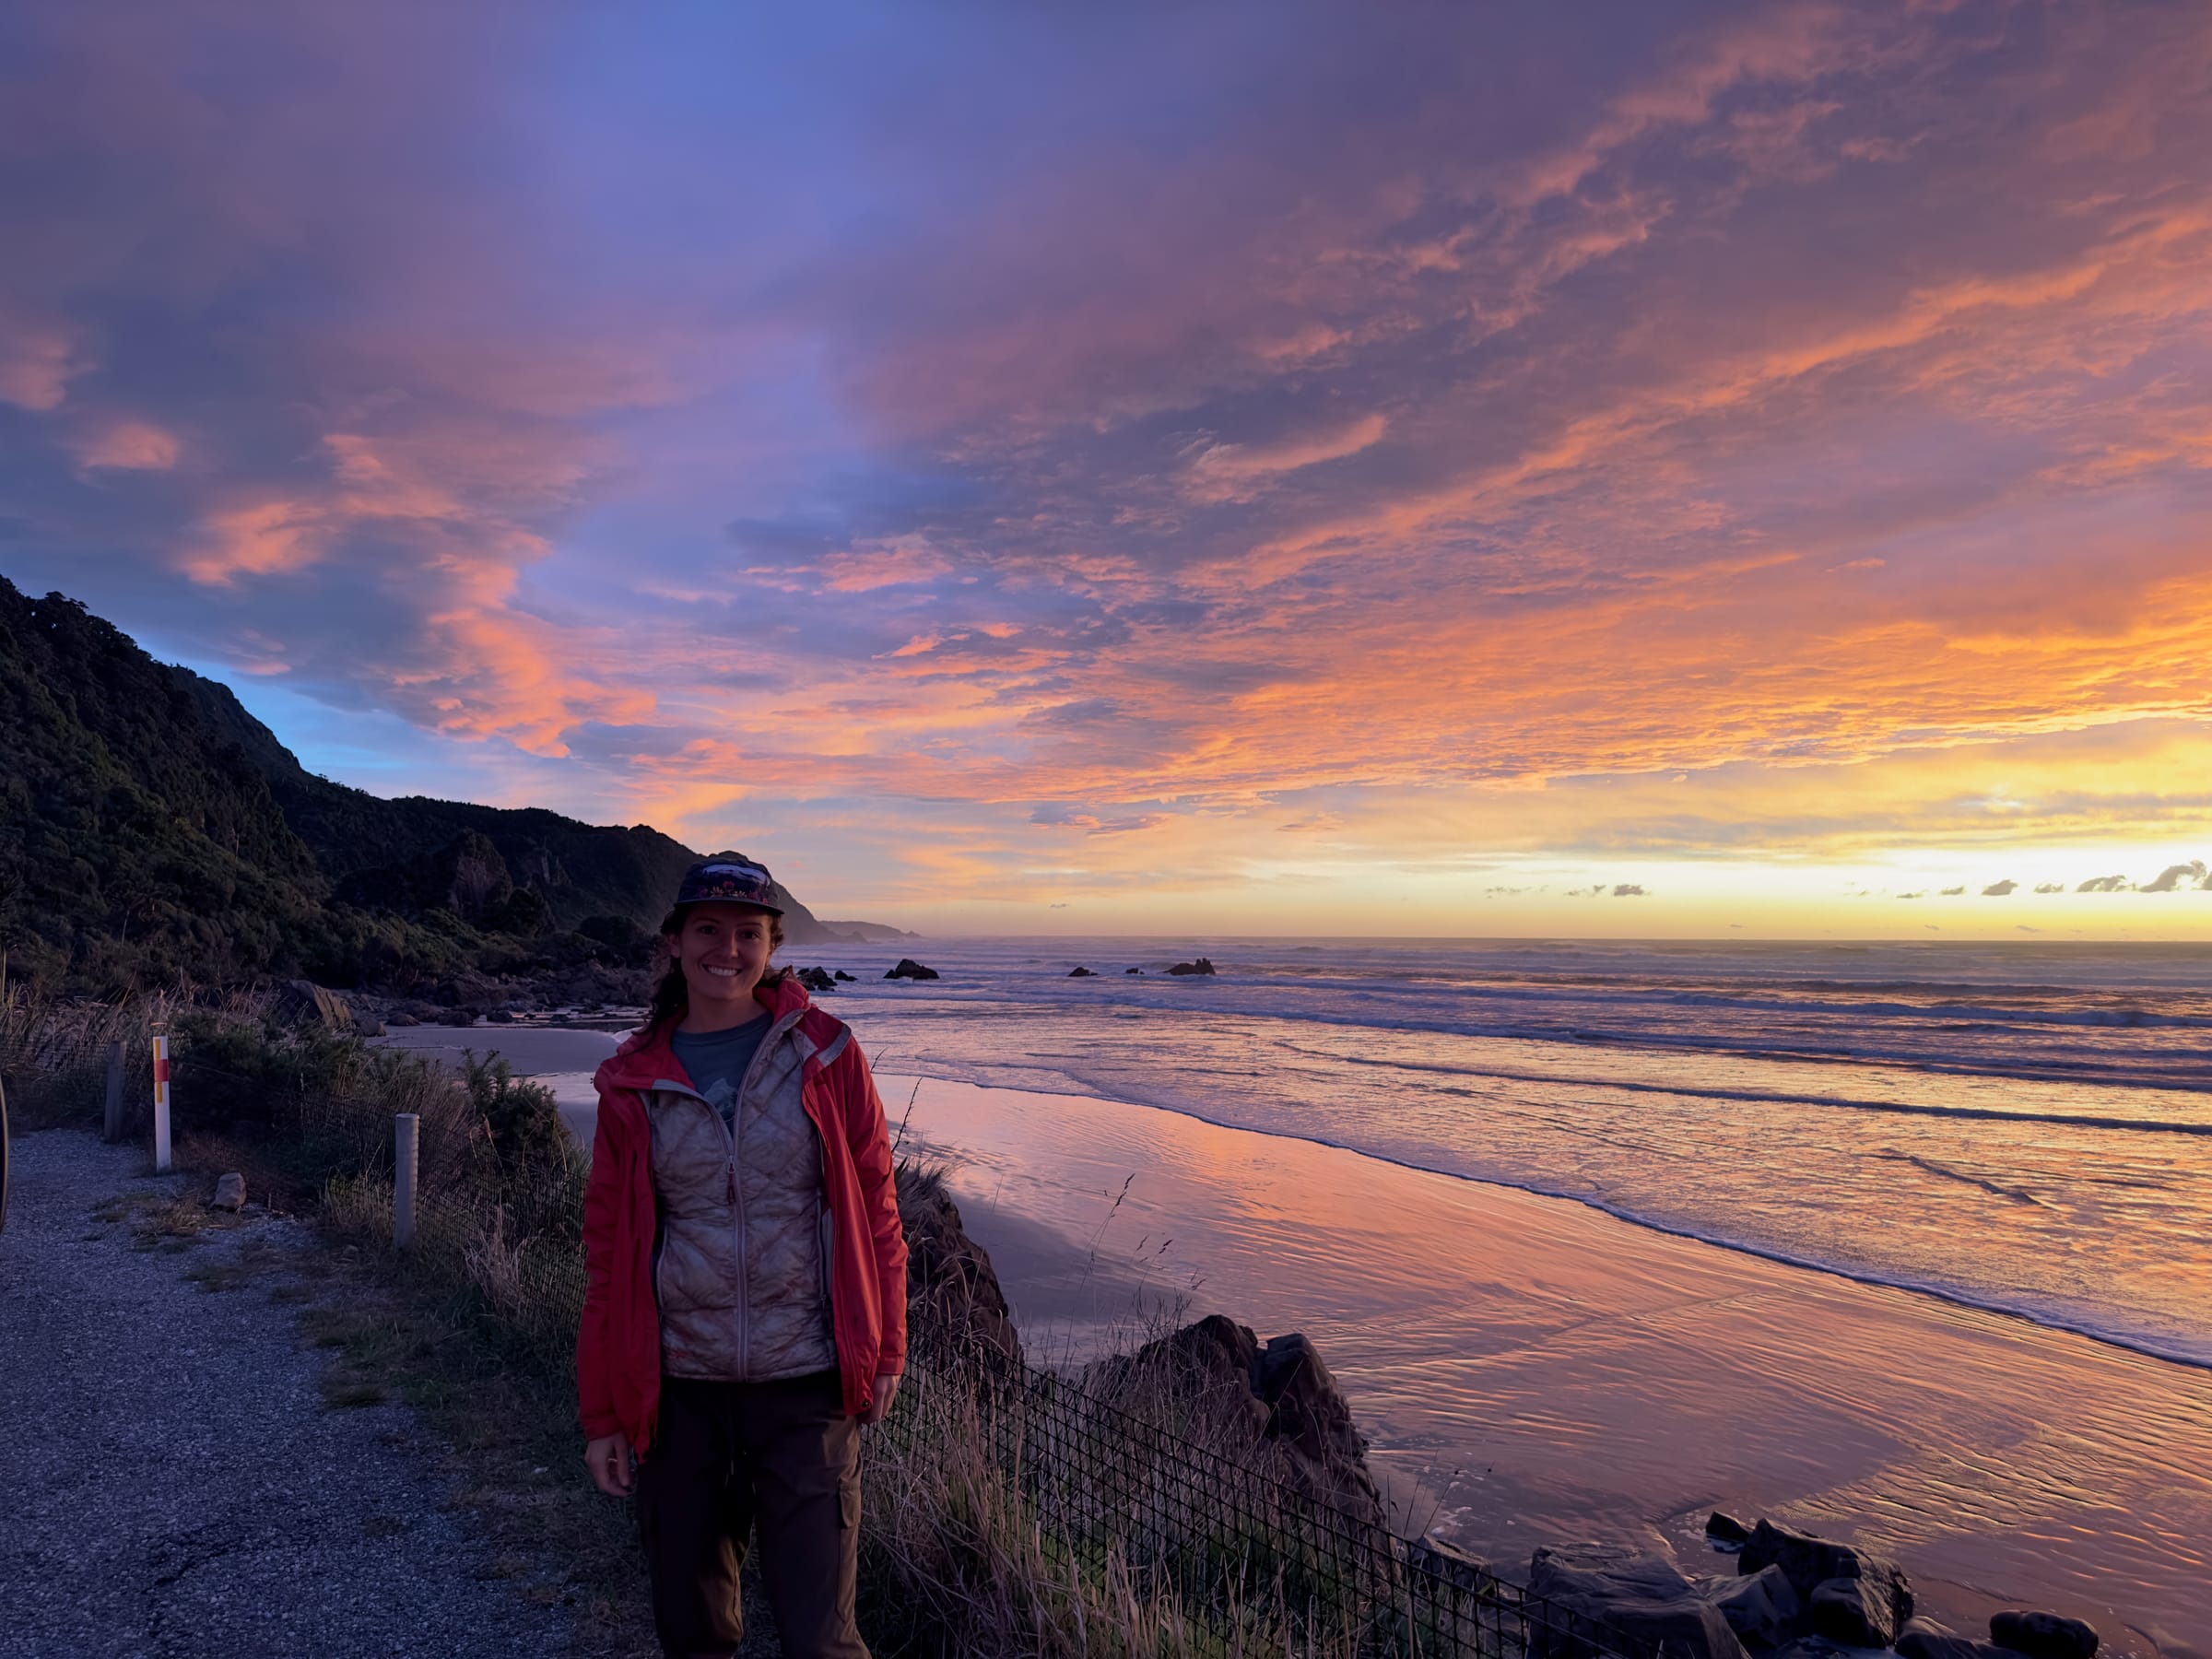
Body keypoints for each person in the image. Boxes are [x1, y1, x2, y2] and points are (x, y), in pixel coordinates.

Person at [578, 853, 907, 1659]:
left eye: (746, 934)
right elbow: (608, 1257)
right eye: (708, 930)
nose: (726, 949)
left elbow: (878, 1212)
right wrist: (603, 1415)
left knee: (822, 1640)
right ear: (676, 942)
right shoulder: (633, 1083)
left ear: (771, 947)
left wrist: (887, 1346)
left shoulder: (827, 1056)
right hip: (679, 1390)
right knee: (694, 1633)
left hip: (807, 1386)